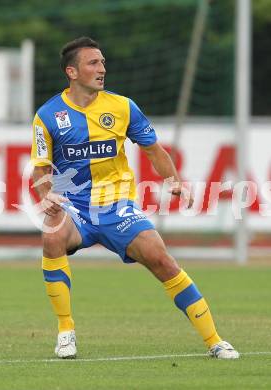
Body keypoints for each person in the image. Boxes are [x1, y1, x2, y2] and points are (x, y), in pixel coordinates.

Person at [31, 37, 239, 360]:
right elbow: (41, 167)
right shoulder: (48, 115)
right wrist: (46, 195)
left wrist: (173, 180)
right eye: (93, 63)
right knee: (52, 231)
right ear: (71, 71)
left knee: (162, 260)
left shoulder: (123, 107)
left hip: (117, 206)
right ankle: (65, 331)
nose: (102, 68)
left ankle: (214, 340)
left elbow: (153, 150)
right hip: (75, 208)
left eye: (102, 62)